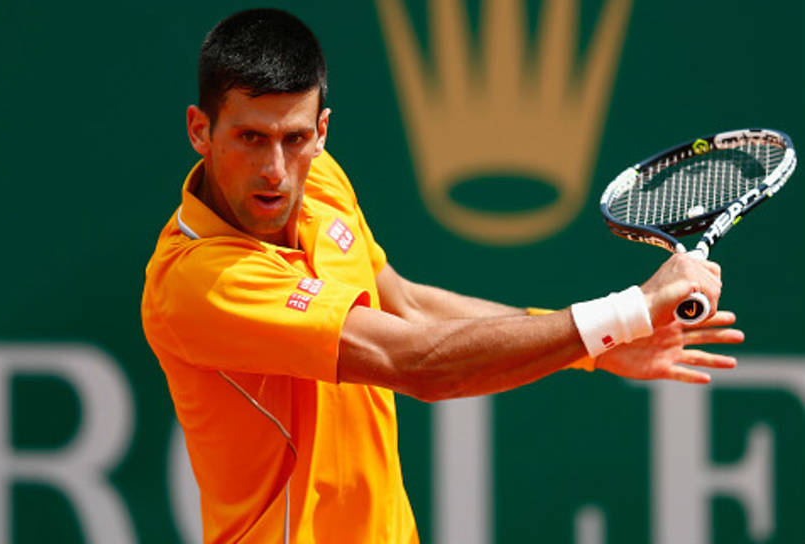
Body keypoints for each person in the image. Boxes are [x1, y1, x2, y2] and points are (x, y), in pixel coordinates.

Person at [141, 8, 743, 544]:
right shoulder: (197, 283)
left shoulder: (316, 179)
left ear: (321, 131)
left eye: (294, 138)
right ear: (200, 130)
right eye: (250, 137)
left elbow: (405, 305)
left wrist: (596, 348)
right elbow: (414, 362)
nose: (275, 169)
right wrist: (626, 312)